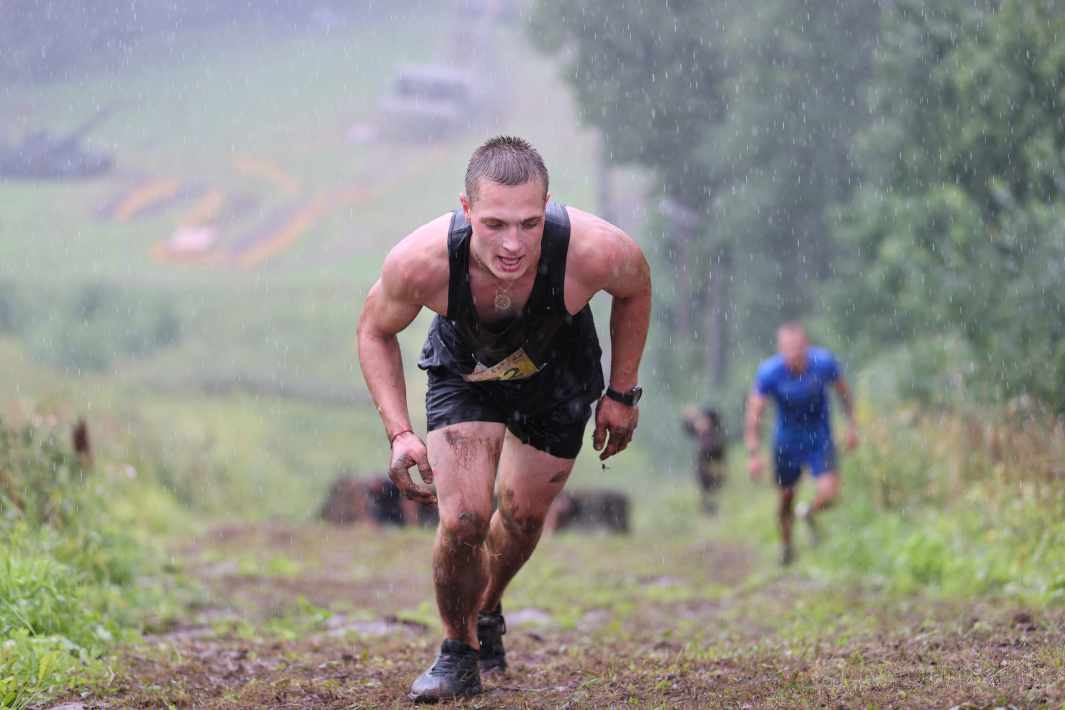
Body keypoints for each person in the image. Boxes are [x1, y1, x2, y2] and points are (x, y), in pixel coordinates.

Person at [357, 136, 651, 702]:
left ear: (547, 208)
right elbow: (374, 330)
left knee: (520, 519)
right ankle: (457, 651)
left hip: (559, 380)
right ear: (466, 210)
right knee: (465, 519)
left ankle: (487, 608)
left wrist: (622, 392)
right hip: (466, 377)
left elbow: (636, 289)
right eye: (494, 225)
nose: (512, 245)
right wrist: (400, 432)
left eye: (529, 224)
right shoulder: (422, 261)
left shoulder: (593, 249)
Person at [743, 322, 857, 566]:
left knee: (829, 493)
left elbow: (844, 393)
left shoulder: (824, 363)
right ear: (779, 348)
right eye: (788, 346)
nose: (794, 351)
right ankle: (786, 546)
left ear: (807, 345)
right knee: (786, 497)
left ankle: (808, 512)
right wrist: (753, 453)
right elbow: (754, 415)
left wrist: (852, 426)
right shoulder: (769, 372)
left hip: (820, 438)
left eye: (798, 345)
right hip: (786, 443)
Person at [681, 405, 726, 514]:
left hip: (713, 471)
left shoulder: (713, 435)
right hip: (705, 473)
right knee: (707, 496)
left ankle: (714, 512)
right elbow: (689, 429)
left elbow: (714, 452)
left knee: (715, 495)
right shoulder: (703, 434)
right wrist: (687, 418)